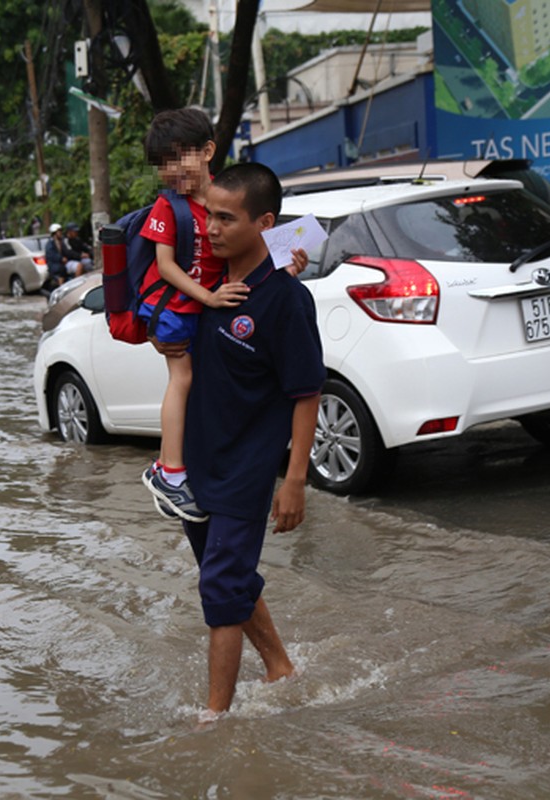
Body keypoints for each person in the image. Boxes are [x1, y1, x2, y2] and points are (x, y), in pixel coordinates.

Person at [156, 162, 326, 719]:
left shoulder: (286, 299)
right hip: (197, 468)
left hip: (245, 474)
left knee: (221, 594)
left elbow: (306, 394)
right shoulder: (206, 285)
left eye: (227, 219)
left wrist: (294, 480)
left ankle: (213, 720)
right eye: (209, 216)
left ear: (265, 223)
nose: (211, 228)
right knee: (227, 580)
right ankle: (280, 667)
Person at [136, 107, 251, 522]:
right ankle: (170, 472)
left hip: (203, 309)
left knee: (205, 384)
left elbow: (253, 247)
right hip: (174, 309)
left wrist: (291, 264)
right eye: (164, 162)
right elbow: (165, 267)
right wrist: (208, 297)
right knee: (181, 378)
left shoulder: (230, 197)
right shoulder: (169, 207)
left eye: (180, 156)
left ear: (207, 151)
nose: (173, 169)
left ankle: (185, 467)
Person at [44, 223, 70, 287]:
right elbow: (52, 254)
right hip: (53, 264)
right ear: (54, 233)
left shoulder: (61, 241)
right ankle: (61, 286)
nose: (61, 233)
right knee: (61, 269)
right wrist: (61, 258)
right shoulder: (50, 244)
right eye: (59, 231)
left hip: (61, 263)